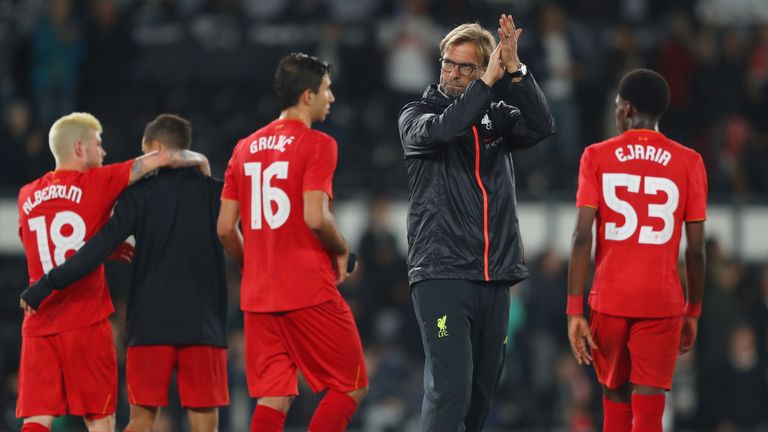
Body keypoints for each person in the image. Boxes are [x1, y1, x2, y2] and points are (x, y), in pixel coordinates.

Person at [21, 114, 228, 432]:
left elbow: (62, 242)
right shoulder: (99, 181)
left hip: (39, 317)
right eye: (98, 145)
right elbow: (162, 157)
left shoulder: (26, 195)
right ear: (79, 148)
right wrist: (200, 158)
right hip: (87, 318)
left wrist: (110, 250)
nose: (103, 153)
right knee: (101, 420)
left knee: (38, 417)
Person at [398, 15, 555, 432]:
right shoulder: (416, 115)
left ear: (486, 66)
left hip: (495, 274)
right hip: (441, 273)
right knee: (451, 390)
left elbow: (543, 126)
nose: (453, 72)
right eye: (449, 62)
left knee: (481, 395)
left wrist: (517, 70)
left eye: (466, 66)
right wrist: (484, 84)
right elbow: (448, 128)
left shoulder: (496, 117)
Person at [216, 53, 368, 432]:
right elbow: (316, 217)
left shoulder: (243, 147)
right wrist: (341, 249)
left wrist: (250, 268)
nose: (331, 99)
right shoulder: (318, 144)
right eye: (326, 91)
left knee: (274, 396)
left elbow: (223, 229)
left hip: (258, 295)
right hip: (306, 288)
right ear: (307, 96)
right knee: (350, 384)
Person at [566, 68, 707, 432]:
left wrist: (573, 310)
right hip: (662, 302)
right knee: (649, 415)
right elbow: (696, 251)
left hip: (609, 300)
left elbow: (582, 237)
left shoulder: (596, 155)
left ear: (626, 108)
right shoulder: (689, 161)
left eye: (616, 106)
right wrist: (693, 310)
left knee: (615, 404)